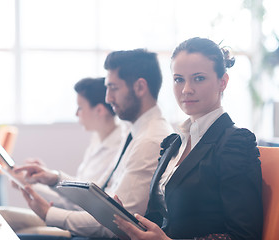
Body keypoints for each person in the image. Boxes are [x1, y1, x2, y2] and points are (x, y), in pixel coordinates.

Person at [114, 37, 263, 240]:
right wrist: (130, 225)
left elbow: (244, 236)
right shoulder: (174, 143)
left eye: (198, 78)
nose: (186, 89)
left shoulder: (234, 143)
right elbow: (162, 219)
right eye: (179, 79)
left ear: (223, 82)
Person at [16, 49, 173, 238]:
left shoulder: (149, 140)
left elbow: (115, 223)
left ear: (140, 87)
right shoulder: (135, 131)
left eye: (113, 88)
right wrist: (55, 179)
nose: (108, 98)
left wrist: (50, 214)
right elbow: (100, 193)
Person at [0, 77, 124, 235]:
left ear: (99, 110)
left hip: (76, 224)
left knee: (5, 223)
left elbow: (78, 205)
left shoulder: (115, 148)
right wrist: (43, 176)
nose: (76, 113)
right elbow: (76, 190)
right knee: (1, 216)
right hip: (66, 215)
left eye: (80, 108)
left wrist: (33, 185)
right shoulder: (98, 140)